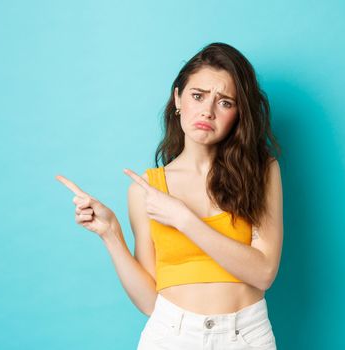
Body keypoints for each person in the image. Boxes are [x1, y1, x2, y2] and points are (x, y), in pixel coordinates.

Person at [56, 42, 283, 349]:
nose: (207, 110)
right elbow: (151, 302)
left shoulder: (262, 171)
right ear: (178, 98)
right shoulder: (146, 191)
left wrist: (183, 219)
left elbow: (264, 273)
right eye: (198, 96)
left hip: (245, 335)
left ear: (239, 113)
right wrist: (110, 233)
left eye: (225, 102)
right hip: (172, 335)